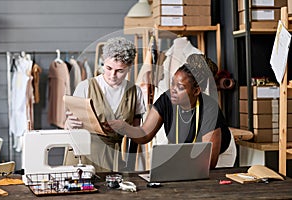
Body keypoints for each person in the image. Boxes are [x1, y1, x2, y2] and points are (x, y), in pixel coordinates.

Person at [108, 54, 231, 169]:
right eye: (172, 84)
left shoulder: (209, 109)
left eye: (180, 87)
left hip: (219, 157)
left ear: (196, 91)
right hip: (189, 158)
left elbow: (209, 161)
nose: (173, 90)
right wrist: (124, 127)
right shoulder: (166, 100)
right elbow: (145, 133)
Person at [64, 37, 146, 172]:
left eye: (120, 71)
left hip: (113, 158)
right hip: (81, 157)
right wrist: (68, 124)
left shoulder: (134, 92)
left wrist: (130, 165)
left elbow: (136, 135)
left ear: (129, 68)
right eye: (108, 68)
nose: (112, 75)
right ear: (103, 62)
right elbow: (69, 126)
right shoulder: (85, 87)